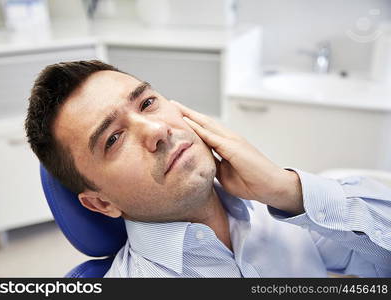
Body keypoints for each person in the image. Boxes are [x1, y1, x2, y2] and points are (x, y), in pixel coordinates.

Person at [25, 60, 391, 278]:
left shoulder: (281, 210)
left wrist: (287, 190)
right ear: (102, 204)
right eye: (113, 139)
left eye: (148, 103)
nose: (156, 130)